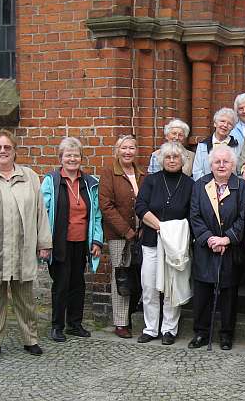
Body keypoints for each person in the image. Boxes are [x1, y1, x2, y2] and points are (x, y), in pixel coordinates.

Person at [0, 130, 52, 360]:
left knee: (24, 297)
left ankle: (30, 339)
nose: (2, 151)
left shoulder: (30, 177)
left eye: (7, 147)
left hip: (21, 249)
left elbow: (40, 213)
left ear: (15, 151)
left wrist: (44, 242)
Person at [189, 146, 245, 351]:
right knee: (202, 292)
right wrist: (209, 239)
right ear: (211, 164)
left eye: (226, 162)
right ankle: (201, 332)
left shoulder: (242, 187)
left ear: (233, 165)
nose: (222, 165)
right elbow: (195, 215)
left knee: (228, 294)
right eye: (217, 162)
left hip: (230, 249)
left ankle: (226, 334)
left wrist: (227, 240)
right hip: (206, 248)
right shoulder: (199, 185)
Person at [41, 137, 103, 342]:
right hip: (59, 241)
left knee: (78, 283)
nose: (72, 159)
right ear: (61, 158)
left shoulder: (90, 182)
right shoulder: (51, 180)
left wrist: (96, 240)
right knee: (61, 284)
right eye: (68, 155)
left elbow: (95, 215)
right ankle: (57, 326)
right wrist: (43, 242)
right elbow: (42, 212)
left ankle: (74, 324)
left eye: (76, 155)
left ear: (81, 159)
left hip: (81, 242)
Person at [135, 141, 194, 345]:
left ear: (182, 160)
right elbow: (140, 207)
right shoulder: (151, 180)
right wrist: (162, 227)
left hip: (176, 243)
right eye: (167, 157)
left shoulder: (189, 184)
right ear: (161, 159)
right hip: (152, 240)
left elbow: (191, 214)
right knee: (149, 285)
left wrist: (172, 234)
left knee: (172, 286)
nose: (171, 160)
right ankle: (150, 328)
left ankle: (169, 329)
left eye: (175, 157)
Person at [99, 134, 144, 339]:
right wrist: (127, 231)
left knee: (138, 275)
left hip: (141, 234)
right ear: (117, 151)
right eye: (124, 148)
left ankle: (134, 315)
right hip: (120, 236)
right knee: (121, 277)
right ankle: (120, 322)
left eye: (131, 148)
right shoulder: (109, 173)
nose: (128, 152)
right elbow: (106, 206)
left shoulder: (141, 173)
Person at [193, 108, 242, 180]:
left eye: (229, 124)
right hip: (206, 188)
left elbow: (239, 172)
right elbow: (197, 172)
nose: (225, 125)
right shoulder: (202, 146)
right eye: (222, 121)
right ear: (215, 123)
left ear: (232, 128)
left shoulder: (238, 146)